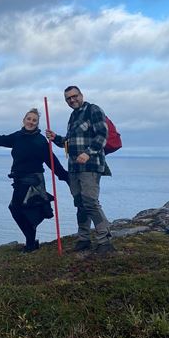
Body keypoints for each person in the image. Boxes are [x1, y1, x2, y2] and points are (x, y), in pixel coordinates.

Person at [0, 108, 69, 253]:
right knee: (21, 209)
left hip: (33, 181)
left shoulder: (40, 141)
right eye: (29, 119)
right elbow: (0, 139)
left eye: (34, 120)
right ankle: (31, 241)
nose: (31, 122)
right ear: (24, 120)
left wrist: (64, 176)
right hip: (19, 180)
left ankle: (30, 243)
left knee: (16, 208)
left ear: (37, 123)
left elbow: (52, 162)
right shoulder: (17, 136)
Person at [45, 86, 115, 254]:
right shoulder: (73, 116)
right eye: (68, 98)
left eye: (74, 96)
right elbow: (68, 142)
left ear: (81, 95)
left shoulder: (93, 109)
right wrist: (56, 138)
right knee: (80, 203)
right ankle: (83, 238)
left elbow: (102, 134)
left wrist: (88, 153)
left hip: (90, 166)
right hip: (74, 168)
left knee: (90, 202)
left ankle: (104, 240)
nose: (72, 100)